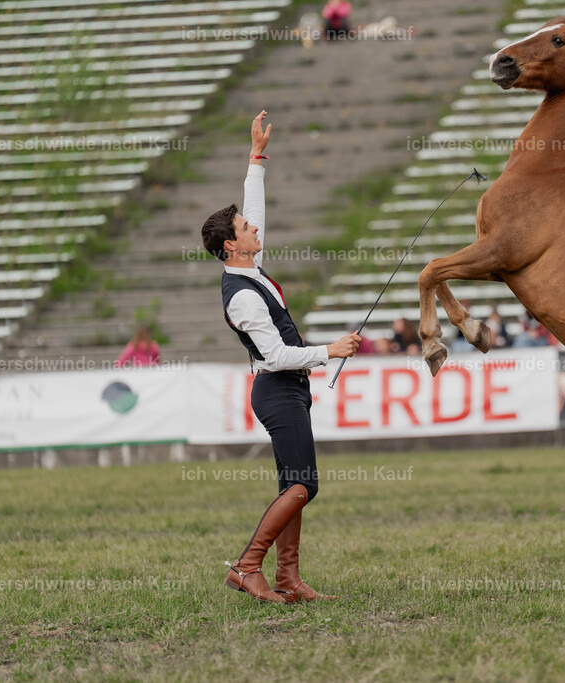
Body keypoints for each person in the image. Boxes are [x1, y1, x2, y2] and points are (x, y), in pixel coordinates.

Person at [201, 110, 361, 604]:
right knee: (303, 487)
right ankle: (248, 567)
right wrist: (328, 352)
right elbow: (272, 355)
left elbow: (255, 210)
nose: (255, 229)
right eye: (246, 228)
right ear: (232, 245)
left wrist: (256, 160)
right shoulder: (242, 294)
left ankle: (289, 579)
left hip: (289, 391)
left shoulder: (252, 269)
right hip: (276, 390)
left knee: (295, 484)